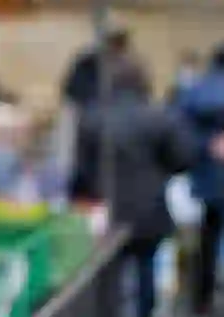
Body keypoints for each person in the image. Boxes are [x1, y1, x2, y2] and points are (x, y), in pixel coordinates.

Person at [74, 58, 195, 317]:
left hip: (107, 209)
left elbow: (82, 170)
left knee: (108, 273)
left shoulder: (92, 118)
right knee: (146, 269)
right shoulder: (160, 117)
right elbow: (183, 159)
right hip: (150, 208)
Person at [175, 45, 224, 316]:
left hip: (208, 181)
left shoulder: (196, 91)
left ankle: (201, 302)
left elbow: (180, 132)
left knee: (206, 238)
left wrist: (207, 145)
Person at [62, 27, 132, 109]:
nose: (120, 51)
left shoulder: (123, 64)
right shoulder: (89, 61)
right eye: (117, 45)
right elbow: (74, 89)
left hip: (103, 105)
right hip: (81, 104)